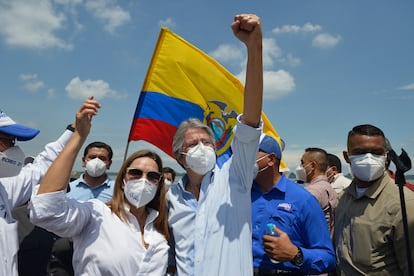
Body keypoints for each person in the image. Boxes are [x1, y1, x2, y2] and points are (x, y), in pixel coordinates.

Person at [166, 13, 264, 276]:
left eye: (207, 142)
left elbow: (250, 122)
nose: (202, 147)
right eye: (194, 143)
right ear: (180, 157)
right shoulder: (171, 197)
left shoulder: (236, 176)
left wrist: (255, 48)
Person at [29, 98, 170, 275]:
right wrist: (78, 136)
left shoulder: (158, 228)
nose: (143, 180)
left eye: (152, 176)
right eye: (135, 173)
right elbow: (46, 210)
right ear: (123, 179)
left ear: (159, 183)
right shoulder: (97, 214)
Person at [18, 141, 115, 276]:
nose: (96, 161)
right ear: (83, 161)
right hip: (65, 252)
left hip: (104, 253)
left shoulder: (118, 193)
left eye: (102, 158)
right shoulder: (66, 189)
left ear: (109, 163)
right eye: (92, 157)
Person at [0, 107, 75, 276]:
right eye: (8, 141)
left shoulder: (4, 189)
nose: (14, 149)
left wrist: (73, 131)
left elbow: (41, 167)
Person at [334, 124, 414, 274]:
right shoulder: (342, 198)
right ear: (347, 156)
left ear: (386, 156)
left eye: (376, 152)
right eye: (360, 152)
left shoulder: (403, 203)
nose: (368, 158)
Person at [252, 134, 336, 275]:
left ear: (271, 160)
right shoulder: (238, 195)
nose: (242, 157)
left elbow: (328, 258)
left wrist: (294, 254)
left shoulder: (303, 199)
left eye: (250, 152)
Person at [296, 148, 338, 235]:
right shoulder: (329, 187)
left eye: (302, 163)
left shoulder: (312, 192)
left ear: (313, 166)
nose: (300, 167)